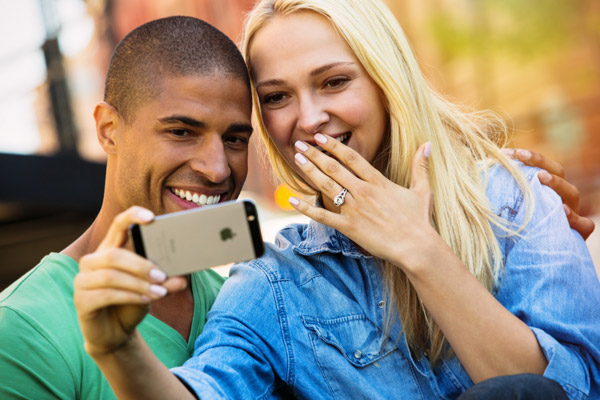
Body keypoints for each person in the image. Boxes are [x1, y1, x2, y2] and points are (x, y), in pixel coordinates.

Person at [74, 1, 600, 400]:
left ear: (385, 81)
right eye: (277, 97)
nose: (308, 119)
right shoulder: (275, 280)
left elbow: (574, 388)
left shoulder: (513, 199)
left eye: (334, 82)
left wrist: (420, 251)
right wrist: (118, 351)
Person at [0, 16, 253, 399]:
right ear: (108, 129)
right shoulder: (22, 328)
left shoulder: (243, 302)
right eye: (182, 132)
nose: (217, 169)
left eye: (234, 139)